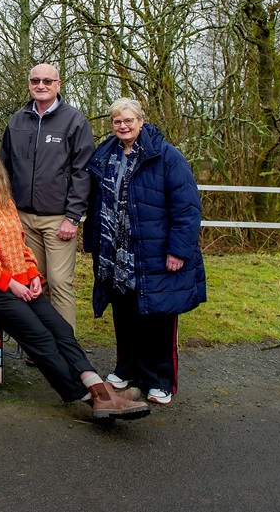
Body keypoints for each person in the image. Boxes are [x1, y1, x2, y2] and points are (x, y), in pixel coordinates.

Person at [0, 147, 148, 420]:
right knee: (40, 337)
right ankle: (87, 398)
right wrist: (12, 284)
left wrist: (32, 274)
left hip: (19, 282)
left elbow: (21, 245)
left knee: (61, 329)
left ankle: (98, 386)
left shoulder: (5, 201)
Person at [83, 98, 206, 406]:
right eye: (116, 121)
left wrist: (178, 250)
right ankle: (127, 369)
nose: (122, 126)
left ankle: (159, 380)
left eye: (128, 120)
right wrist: (94, 241)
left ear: (140, 121)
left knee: (159, 318)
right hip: (116, 254)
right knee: (124, 315)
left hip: (154, 252)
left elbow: (187, 207)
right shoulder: (106, 154)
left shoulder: (165, 156)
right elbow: (96, 203)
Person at [0, 63, 95, 332]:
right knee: (34, 281)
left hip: (59, 219)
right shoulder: (17, 121)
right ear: (29, 83)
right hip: (23, 218)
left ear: (58, 84)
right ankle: (42, 345)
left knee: (60, 281)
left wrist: (73, 217)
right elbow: (3, 168)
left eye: (47, 81)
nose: (41, 86)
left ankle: (68, 349)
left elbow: (83, 172)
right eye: (35, 81)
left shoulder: (75, 121)